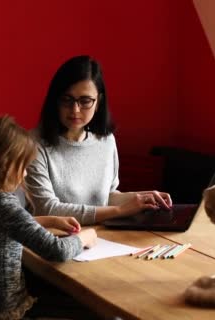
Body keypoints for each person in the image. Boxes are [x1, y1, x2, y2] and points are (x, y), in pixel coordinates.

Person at [0, 115, 98, 320]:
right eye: (22, 167)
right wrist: (86, 237)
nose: (24, 175)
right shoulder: (2, 204)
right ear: (3, 164)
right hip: (6, 314)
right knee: (89, 309)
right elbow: (56, 250)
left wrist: (51, 221)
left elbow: (3, 228)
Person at [26, 55, 173, 225]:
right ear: (55, 101)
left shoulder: (106, 141)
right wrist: (119, 211)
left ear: (98, 102)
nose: (75, 109)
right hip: (54, 240)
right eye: (67, 99)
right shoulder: (34, 144)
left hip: (100, 238)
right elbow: (47, 209)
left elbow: (106, 198)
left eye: (85, 101)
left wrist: (141, 198)